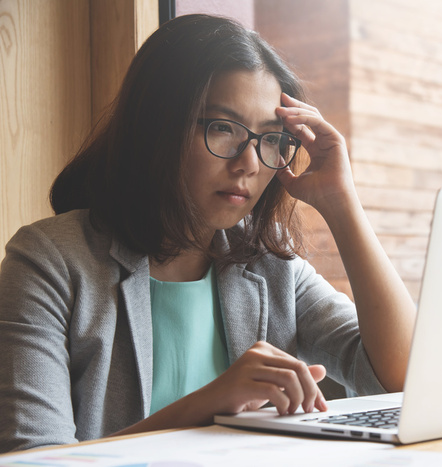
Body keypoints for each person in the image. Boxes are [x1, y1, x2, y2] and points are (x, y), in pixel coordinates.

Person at [0, 14, 416, 453]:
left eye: (272, 138)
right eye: (222, 127)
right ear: (156, 126)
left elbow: (405, 376)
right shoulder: (47, 262)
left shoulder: (270, 265)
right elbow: (33, 458)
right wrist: (208, 405)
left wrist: (341, 202)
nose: (249, 163)